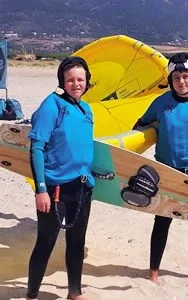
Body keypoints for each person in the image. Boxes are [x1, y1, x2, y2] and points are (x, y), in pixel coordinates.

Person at [134, 53, 188, 286]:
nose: (181, 81)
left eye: (186, 77)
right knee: (162, 221)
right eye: (176, 77)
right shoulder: (161, 103)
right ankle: (153, 272)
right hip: (166, 173)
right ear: (170, 79)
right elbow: (140, 124)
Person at [26, 56, 95, 300]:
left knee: (77, 242)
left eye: (80, 79)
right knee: (46, 241)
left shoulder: (86, 108)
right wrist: (40, 189)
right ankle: (32, 294)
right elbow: (36, 148)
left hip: (83, 187)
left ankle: (74, 293)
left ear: (87, 81)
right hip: (55, 189)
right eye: (70, 80)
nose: (76, 84)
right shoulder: (51, 105)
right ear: (62, 81)